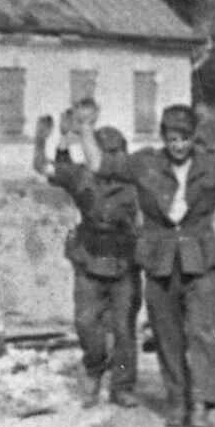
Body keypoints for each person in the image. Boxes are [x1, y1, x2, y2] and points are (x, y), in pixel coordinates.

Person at [86, 104, 215, 427]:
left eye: (185, 138)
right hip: (160, 261)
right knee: (167, 335)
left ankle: (202, 405)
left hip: (201, 261)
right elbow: (99, 164)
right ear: (163, 137)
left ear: (194, 138)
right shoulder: (145, 163)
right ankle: (178, 401)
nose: (178, 145)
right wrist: (84, 128)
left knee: (203, 332)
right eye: (172, 138)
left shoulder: (212, 164)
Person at [34, 113, 142, 408]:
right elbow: (45, 167)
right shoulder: (82, 176)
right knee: (85, 323)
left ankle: (121, 386)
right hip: (89, 257)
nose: (110, 158)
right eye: (105, 152)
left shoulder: (136, 183)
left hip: (123, 261)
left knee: (123, 328)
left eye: (115, 152)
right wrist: (42, 139)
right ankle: (94, 369)